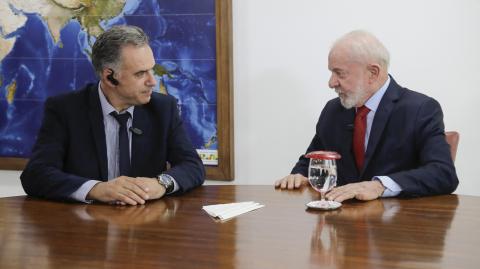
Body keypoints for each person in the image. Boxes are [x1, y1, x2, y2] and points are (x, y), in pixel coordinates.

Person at [21, 25, 205, 205]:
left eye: (152, 70)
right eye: (141, 73)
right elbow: (35, 174)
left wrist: (161, 183)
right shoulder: (65, 109)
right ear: (110, 76)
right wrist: (97, 189)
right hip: (83, 227)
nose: (152, 81)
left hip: (144, 225)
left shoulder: (164, 108)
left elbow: (193, 166)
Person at [275, 30, 458, 202]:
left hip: (398, 227)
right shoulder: (333, 110)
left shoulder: (420, 109)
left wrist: (380, 186)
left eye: (340, 73)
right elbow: (313, 158)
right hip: (343, 225)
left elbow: (443, 173)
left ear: (373, 73)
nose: (331, 83)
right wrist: (299, 175)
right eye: (331, 72)